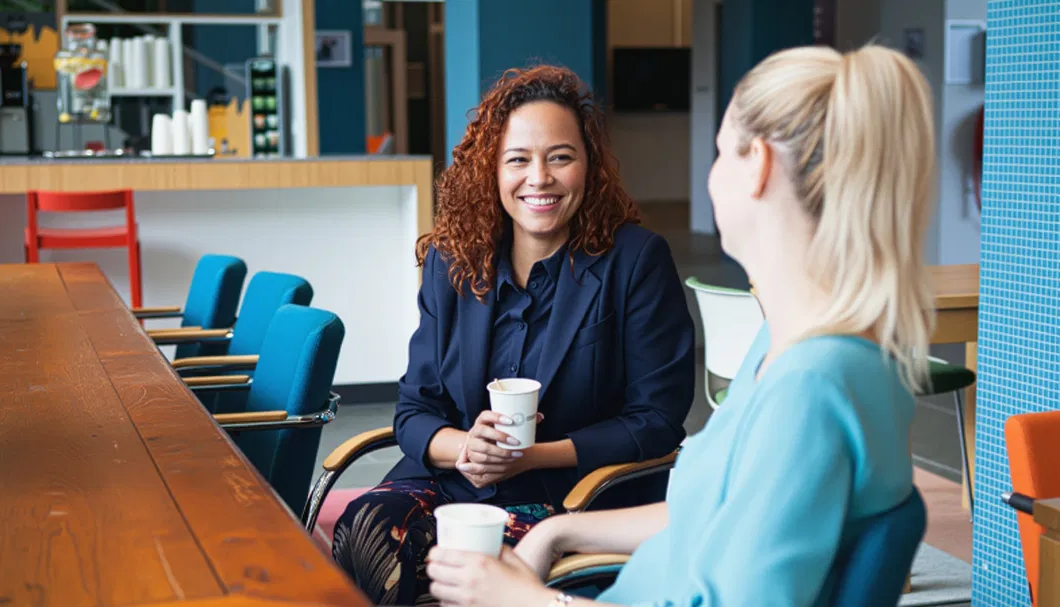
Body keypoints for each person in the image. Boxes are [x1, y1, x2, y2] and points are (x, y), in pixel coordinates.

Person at [425, 43, 937, 607]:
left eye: (719, 152)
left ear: (759, 165)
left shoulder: (808, 390)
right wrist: (557, 533)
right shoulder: (789, 346)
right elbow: (710, 509)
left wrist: (527, 600)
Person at [332, 65, 696, 605]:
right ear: (492, 170)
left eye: (561, 157)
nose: (539, 178)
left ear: (589, 166)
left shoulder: (635, 261)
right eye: (518, 159)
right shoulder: (452, 262)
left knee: (454, 573)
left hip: (568, 498)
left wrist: (532, 455)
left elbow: (657, 420)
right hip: (452, 483)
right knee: (368, 533)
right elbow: (414, 408)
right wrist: (466, 448)